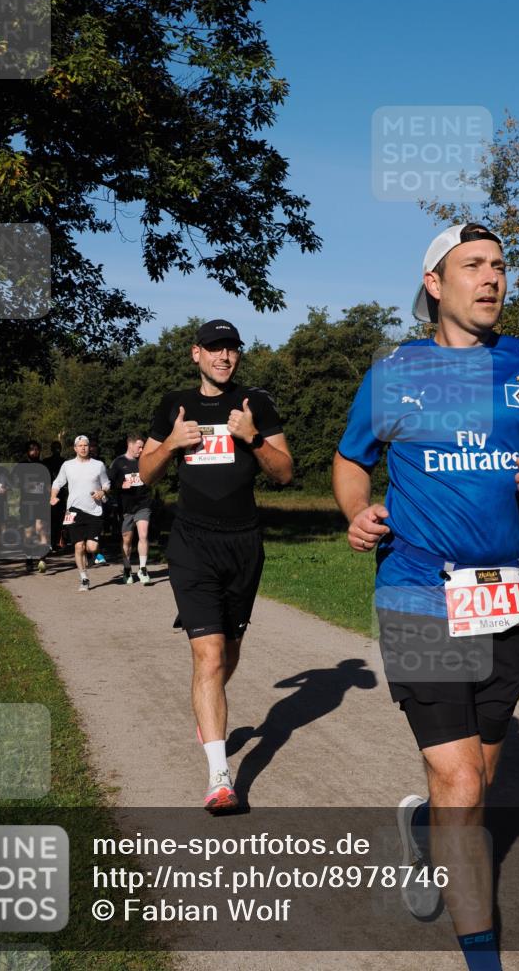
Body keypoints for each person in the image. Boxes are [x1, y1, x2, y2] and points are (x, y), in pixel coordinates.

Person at [332, 223, 519, 971]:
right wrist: (356, 509)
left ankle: (425, 836)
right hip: (416, 592)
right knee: (455, 776)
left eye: (500, 266)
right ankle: (483, 960)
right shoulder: (394, 372)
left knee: (473, 780)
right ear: (434, 285)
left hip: (507, 597)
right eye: (472, 266)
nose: (492, 278)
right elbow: (352, 459)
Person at [139, 319, 293, 812]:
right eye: (214, 350)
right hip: (192, 543)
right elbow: (144, 472)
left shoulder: (256, 403)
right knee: (207, 658)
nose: (224, 357)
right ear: (196, 354)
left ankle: (208, 712)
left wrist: (253, 438)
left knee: (227, 655)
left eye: (231, 350)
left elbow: (286, 472)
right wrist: (170, 445)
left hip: (243, 544)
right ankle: (219, 776)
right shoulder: (173, 404)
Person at [50, 435, 110, 592]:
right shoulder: (68, 465)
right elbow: (57, 482)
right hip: (74, 510)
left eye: (86, 445)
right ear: (75, 448)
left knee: (91, 547)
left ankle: (91, 556)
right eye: (80, 445)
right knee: (78, 546)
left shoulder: (98, 465)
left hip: (94, 510)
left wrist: (102, 491)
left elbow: (106, 483)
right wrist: (53, 496)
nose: (83, 448)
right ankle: (84, 578)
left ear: (89, 447)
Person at [109, 434, 152, 585]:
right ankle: (127, 568)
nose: (141, 450)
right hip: (126, 507)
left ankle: (143, 569)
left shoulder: (144, 460)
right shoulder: (118, 463)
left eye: (143, 447)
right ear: (130, 444)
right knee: (127, 539)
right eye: (139, 446)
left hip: (143, 504)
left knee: (143, 534)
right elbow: (109, 483)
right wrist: (121, 486)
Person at [17, 440, 49, 574]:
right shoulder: (21, 466)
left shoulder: (44, 465)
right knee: (29, 533)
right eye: (32, 449)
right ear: (27, 451)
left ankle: (42, 559)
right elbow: (13, 482)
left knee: (41, 530)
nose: (34, 451)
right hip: (27, 504)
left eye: (37, 449)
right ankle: (28, 559)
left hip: (41, 503)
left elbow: (49, 484)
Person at [44, 442, 66, 553]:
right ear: (51, 449)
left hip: (62, 493)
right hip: (49, 493)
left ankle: (57, 542)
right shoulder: (46, 462)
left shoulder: (65, 462)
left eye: (59, 448)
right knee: (50, 519)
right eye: (55, 448)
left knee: (60, 519)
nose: (57, 450)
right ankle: (49, 543)